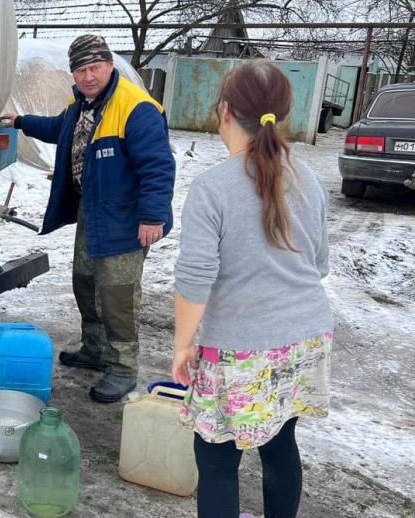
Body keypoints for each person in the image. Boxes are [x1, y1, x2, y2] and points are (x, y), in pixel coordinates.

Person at [171, 60, 334, 518]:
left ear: (223, 111)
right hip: (306, 338)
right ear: (282, 116)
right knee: (281, 442)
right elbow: (318, 264)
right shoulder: (310, 180)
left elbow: (195, 279)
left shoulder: (213, 188)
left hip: (240, 350)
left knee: (218, 459)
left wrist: (183, 346)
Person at [1, 35, 175, 403]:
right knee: (85, 282)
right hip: (93, 211)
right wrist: (20, 121)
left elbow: (158, 167)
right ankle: (95, 349)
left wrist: (153, 217)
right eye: (80, 70)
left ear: (110, 65)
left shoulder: (136, 107)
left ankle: (123, 367)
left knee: (118, 295)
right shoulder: (81, 104)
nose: (88, 76)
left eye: (94, 67)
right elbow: (57, 128)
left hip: (127, 219)